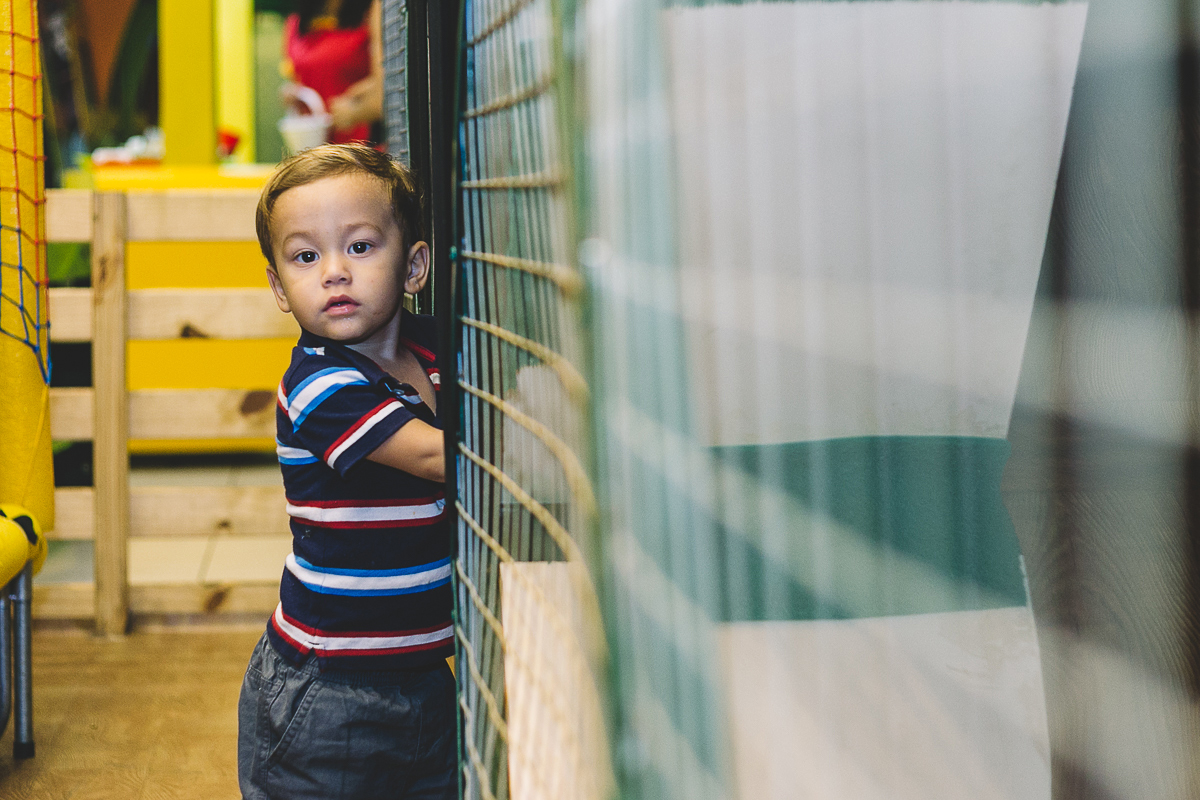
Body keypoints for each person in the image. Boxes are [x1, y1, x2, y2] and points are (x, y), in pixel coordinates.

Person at [238, 143, 455, 800]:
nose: (334, 272)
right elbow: (432, 455)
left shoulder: (437, 348)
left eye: (360, 247)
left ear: (414, 264)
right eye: (306, 256)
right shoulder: (318, 384)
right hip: (329, 693)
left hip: (425, 675)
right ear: (279, 286)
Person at [282, 0, 383, 144]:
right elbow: (297, 77)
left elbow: (385, 83)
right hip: (313, 136)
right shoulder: (295, 23)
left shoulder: (371, 11)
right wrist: (292, 94)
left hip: (359, 139)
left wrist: (356, 110)